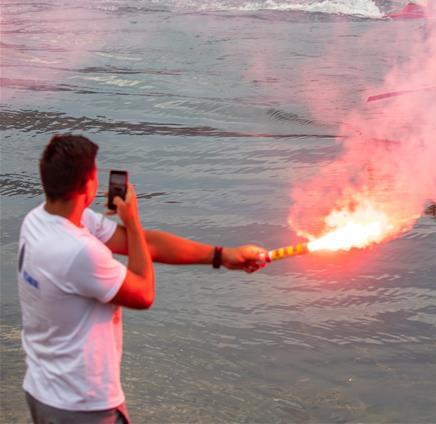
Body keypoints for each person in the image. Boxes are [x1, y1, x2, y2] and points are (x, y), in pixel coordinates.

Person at [18, 135, 268, 423]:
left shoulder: (38, 221)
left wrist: (223, 256)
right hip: (82, 406)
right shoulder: (78, 251)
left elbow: (146, 245)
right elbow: (143, 292)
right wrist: (132, 221)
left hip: (42, 390)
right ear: (88, 185)